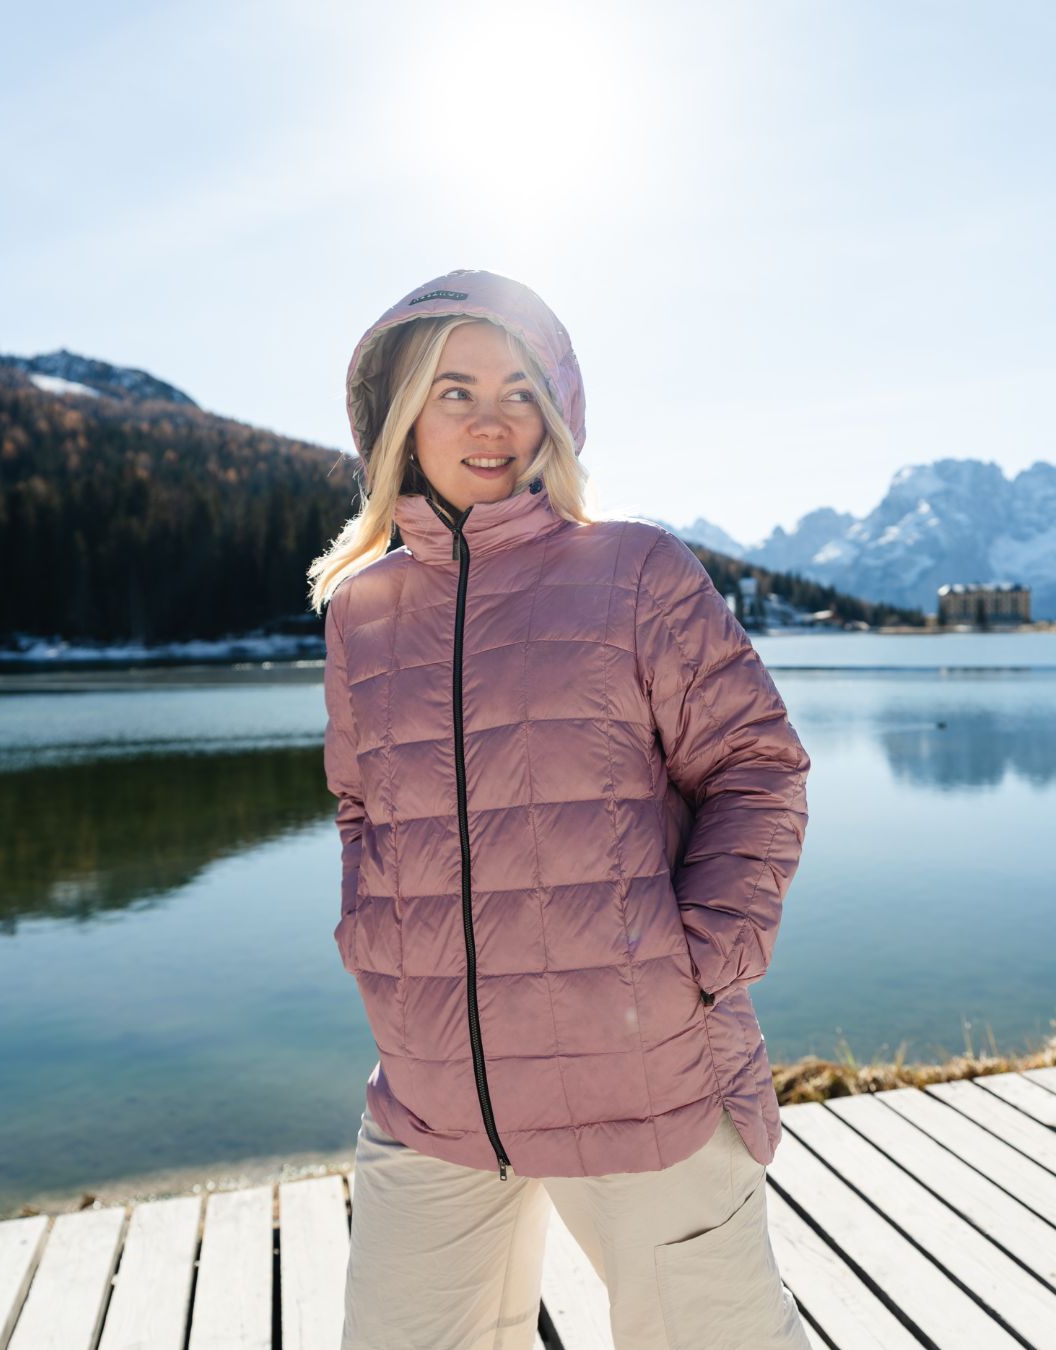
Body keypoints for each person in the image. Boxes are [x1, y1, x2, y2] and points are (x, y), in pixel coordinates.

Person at [309, 268, 813, 1349]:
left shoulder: (634, 571)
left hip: (642, 1078)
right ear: (400, 414)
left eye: (521, 388)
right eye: (455, 391)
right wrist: (380, 944)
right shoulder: (362, 614)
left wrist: (698, 961)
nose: (493, 422)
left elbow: (758, 769)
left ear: (558, 409)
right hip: (435, 1094)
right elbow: (362, 808)